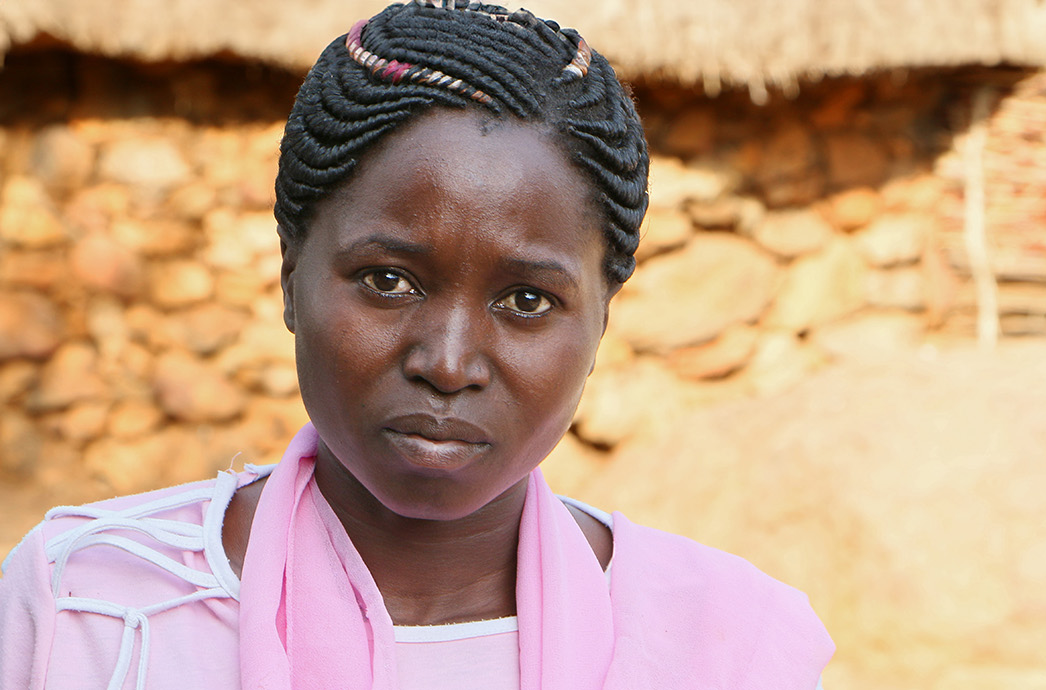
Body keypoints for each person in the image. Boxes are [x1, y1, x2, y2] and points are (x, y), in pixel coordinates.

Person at [0, 2, 834, 688]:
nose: (447, 361)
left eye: (526, 299)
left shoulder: (727, 645)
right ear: (292, 276)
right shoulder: (90, 605)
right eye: (388, 281)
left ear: (601, 322)